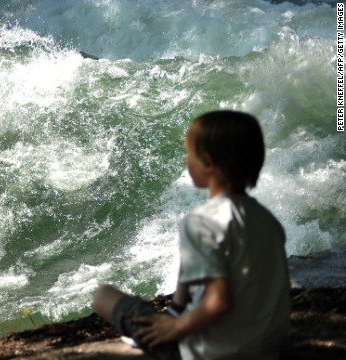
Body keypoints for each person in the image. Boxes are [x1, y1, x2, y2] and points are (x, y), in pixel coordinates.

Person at [92, 110, 291, 360]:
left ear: (208, 163)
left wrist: (176, 327)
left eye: (190, 154)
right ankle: (175, 312)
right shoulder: (267, 220)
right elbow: (199, 267)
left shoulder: (201, 221)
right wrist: (177, 308)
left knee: (103, 296)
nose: (187, 159)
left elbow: (219, 301)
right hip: (266, 348)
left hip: (209, 352)